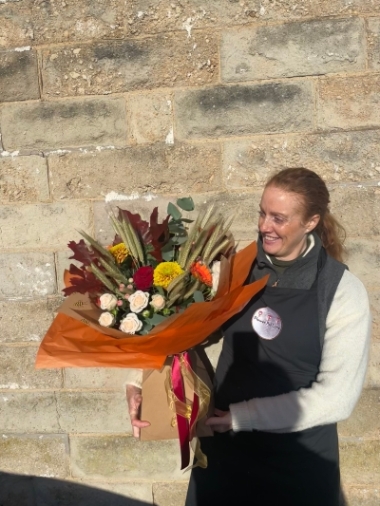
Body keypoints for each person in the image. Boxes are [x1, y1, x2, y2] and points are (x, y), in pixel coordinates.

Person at [126, 168, 372, 506]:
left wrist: (244, 416)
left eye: (279, 218)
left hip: (298, 465)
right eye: (262, 212)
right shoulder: (237, 268)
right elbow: (183, 329)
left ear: (311, 222)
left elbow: (337, 397)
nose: (264, 226)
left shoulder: (342, 291)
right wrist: (141, 380)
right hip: (225, 453)